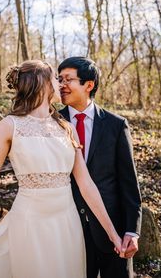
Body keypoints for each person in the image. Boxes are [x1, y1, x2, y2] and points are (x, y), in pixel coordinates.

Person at [0, 60, 122, 278]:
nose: (60, 84)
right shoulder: (10, 126)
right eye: (55, 79)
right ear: (41, 83)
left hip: (67, 224)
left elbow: (86, 184)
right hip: (29, 224)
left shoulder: (67, 127)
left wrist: (113, 235)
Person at [58, 56, 142, 278]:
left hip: (113, 230)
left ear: (89, 85)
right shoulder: (53, 123)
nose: (61, 85)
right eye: (59, 79)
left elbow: (129, 183)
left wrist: (132, 230)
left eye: (68, 79)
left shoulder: (116, 125)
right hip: (68, 229)